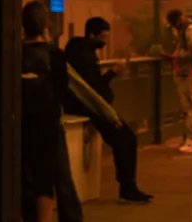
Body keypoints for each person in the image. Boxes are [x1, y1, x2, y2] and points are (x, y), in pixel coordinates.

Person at [64, 17, 153, 204]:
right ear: (92, 34)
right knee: (126, 139)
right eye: (102, 37)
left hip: (87, 105)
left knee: (125, 139)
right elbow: (94, 90)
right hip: (91, 107)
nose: (104, 41)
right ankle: (128, 188)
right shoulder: (85, 55)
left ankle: (128, 187)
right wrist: (113, 73)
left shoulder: (79, 51)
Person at [21, 1, 70, 222]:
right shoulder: (54, 54)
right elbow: (63, 89)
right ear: (45, 25)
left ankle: (27, 221)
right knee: (45, 174)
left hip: (19, 121)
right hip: (47, 120)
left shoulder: (14, 52)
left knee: (22, 170)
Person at [165, 8, 192, 153]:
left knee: (190, 108)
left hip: (187, 74)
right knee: (190, 108)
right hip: (186, 73)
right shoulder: (185, 30)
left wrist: (176, 57)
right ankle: (191, 138)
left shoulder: (189, 31)